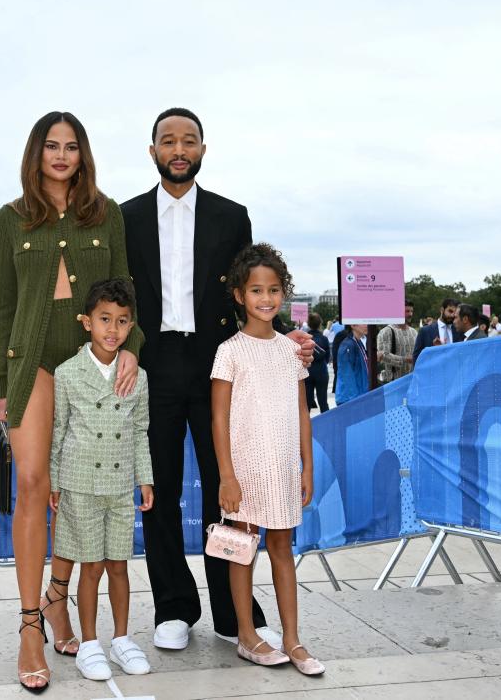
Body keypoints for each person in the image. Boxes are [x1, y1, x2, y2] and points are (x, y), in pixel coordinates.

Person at [121, 107, 311, 653]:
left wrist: (287, 337)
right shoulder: (126, 216)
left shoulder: (233, 216)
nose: (178, 149)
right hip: (153, 362)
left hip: (217, 364)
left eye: (189, 141)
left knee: (230, 492)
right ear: (152, 149)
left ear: (203, 150)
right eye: (168, 140)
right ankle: (173, 607)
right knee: (159, 489)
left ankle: (234, 613)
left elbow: (253, 291)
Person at [0, 110, 145, 692]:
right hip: (32, 363)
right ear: (36, 154)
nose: (61, 155)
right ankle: (31, 624)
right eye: (51, 146)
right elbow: (4, 305)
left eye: (71, 146)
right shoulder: (10, 219)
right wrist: (3, 388)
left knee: (79, 491)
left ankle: (58, 599)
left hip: (92, 365)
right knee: (32, 485)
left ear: (83, 155)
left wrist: (132, 348)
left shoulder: (107, 215)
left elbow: (125, 289)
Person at [211, 243, 323, 676]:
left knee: (282, 547)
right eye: (256, 290)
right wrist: (226, 474)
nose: (265, 298)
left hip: (281, 468)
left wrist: (306, 465)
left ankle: (292, 638)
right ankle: (247, 634)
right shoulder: (230, 351)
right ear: (239, 295)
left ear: (284, 294)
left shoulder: (290, 351)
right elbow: (218, 417)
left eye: (274, 290)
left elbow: (301, 411)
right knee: (242, 548)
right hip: (243, 469)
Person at [48, 279, 154, 681]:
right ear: (86, 322)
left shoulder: (137, 377)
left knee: (120, 566)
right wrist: (56, 480)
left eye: (122, 321)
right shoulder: (68, 373)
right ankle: (89, 642)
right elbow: (59, 431)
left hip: (119, 485)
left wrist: (145, 478)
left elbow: (140, 429)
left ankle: (122, 638)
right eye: (104, 319)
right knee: (90, 567)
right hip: (80, 483)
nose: (113, 329)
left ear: (131, 328)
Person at [376, 301, 417, 382]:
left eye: (412, 311)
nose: (410, 314)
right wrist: (404, 359)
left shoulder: (414, 332)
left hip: (410, 381)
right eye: (407, 311)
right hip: (391, 382)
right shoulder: (386, 331)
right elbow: (383, 356)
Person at [412, 298, 458, 363]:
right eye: (450, 311)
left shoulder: (459, 331)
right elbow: (416, 357)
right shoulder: (425, 331)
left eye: (455, 313)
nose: (452, 315)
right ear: (442, 310)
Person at [335, 323, 370, 405]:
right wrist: (354, 400)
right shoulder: (348, 345)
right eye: (363, 322)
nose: (366, 325)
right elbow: (346, 375)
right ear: (352, 325)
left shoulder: (358, 342)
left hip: (359, 395)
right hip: (350, 399)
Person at [304, 313, 330, 413]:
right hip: (321, 371)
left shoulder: (305, 338)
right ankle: (327, 424)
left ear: (309, 324)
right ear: (320, 324)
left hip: (308, 371)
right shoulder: (324, 339)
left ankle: (306, 426)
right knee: (323, 402)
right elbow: (328, 357)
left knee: (307, 403)